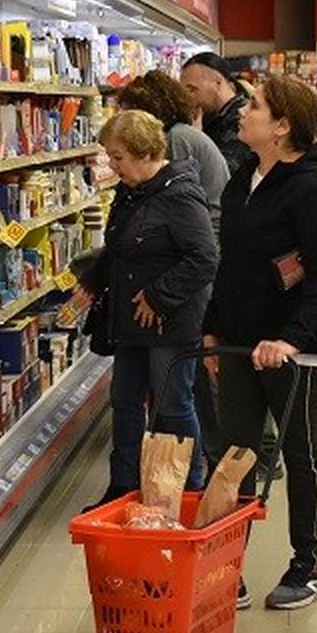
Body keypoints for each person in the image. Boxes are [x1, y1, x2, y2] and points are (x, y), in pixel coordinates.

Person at [205, 75, 317, 610]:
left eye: (256, 106)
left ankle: (309, 564)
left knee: (300, 452)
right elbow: (232, 264)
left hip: (295, 345)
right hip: (241, 342)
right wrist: (214, 326)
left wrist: (290, 339)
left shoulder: (312, 185)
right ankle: (226, 562)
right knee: (236, 454)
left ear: (283, 126)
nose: (243, 111)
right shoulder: (243, 177)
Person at [77, 110, 218, 508]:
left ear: (143, 153)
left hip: (171, 322)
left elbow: (204, 257)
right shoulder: (131, 190)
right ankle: (122, 485)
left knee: (173, 404)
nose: (112, 165)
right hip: (130, 322)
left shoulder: (179, 194)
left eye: (118, 156)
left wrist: (159, 296)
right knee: (124, 402)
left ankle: (188, 488)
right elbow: (119, 249)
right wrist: (93, 279)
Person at [116, 70, 229, 232]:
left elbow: (172, 199)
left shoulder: (177, 138)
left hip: (206, 233)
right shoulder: (177, 134)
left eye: (129, 111)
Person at [181, 51, 254, 177]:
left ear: (218, 83)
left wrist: (196, 139)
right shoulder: (208, 117)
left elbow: (223, 173)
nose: (187, 98)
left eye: (192, 90)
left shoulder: (242, 119)